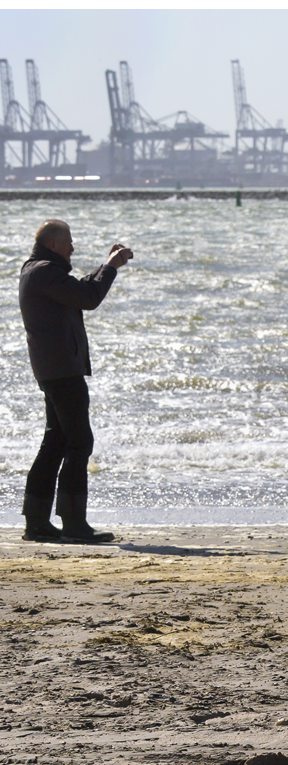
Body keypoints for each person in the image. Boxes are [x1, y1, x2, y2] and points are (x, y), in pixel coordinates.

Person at [18, 220, 133, 543]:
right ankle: (72, 522)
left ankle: (37, 522)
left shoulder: (37, 270)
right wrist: (110, 266)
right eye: (68, 241)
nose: (73, 246)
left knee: (55, 442)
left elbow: (79, 290)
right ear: (53, 244)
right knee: (79, 442)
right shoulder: (44, 272)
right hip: (61, 371)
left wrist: (104, 267)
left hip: (53, 369)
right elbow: (88, 297)